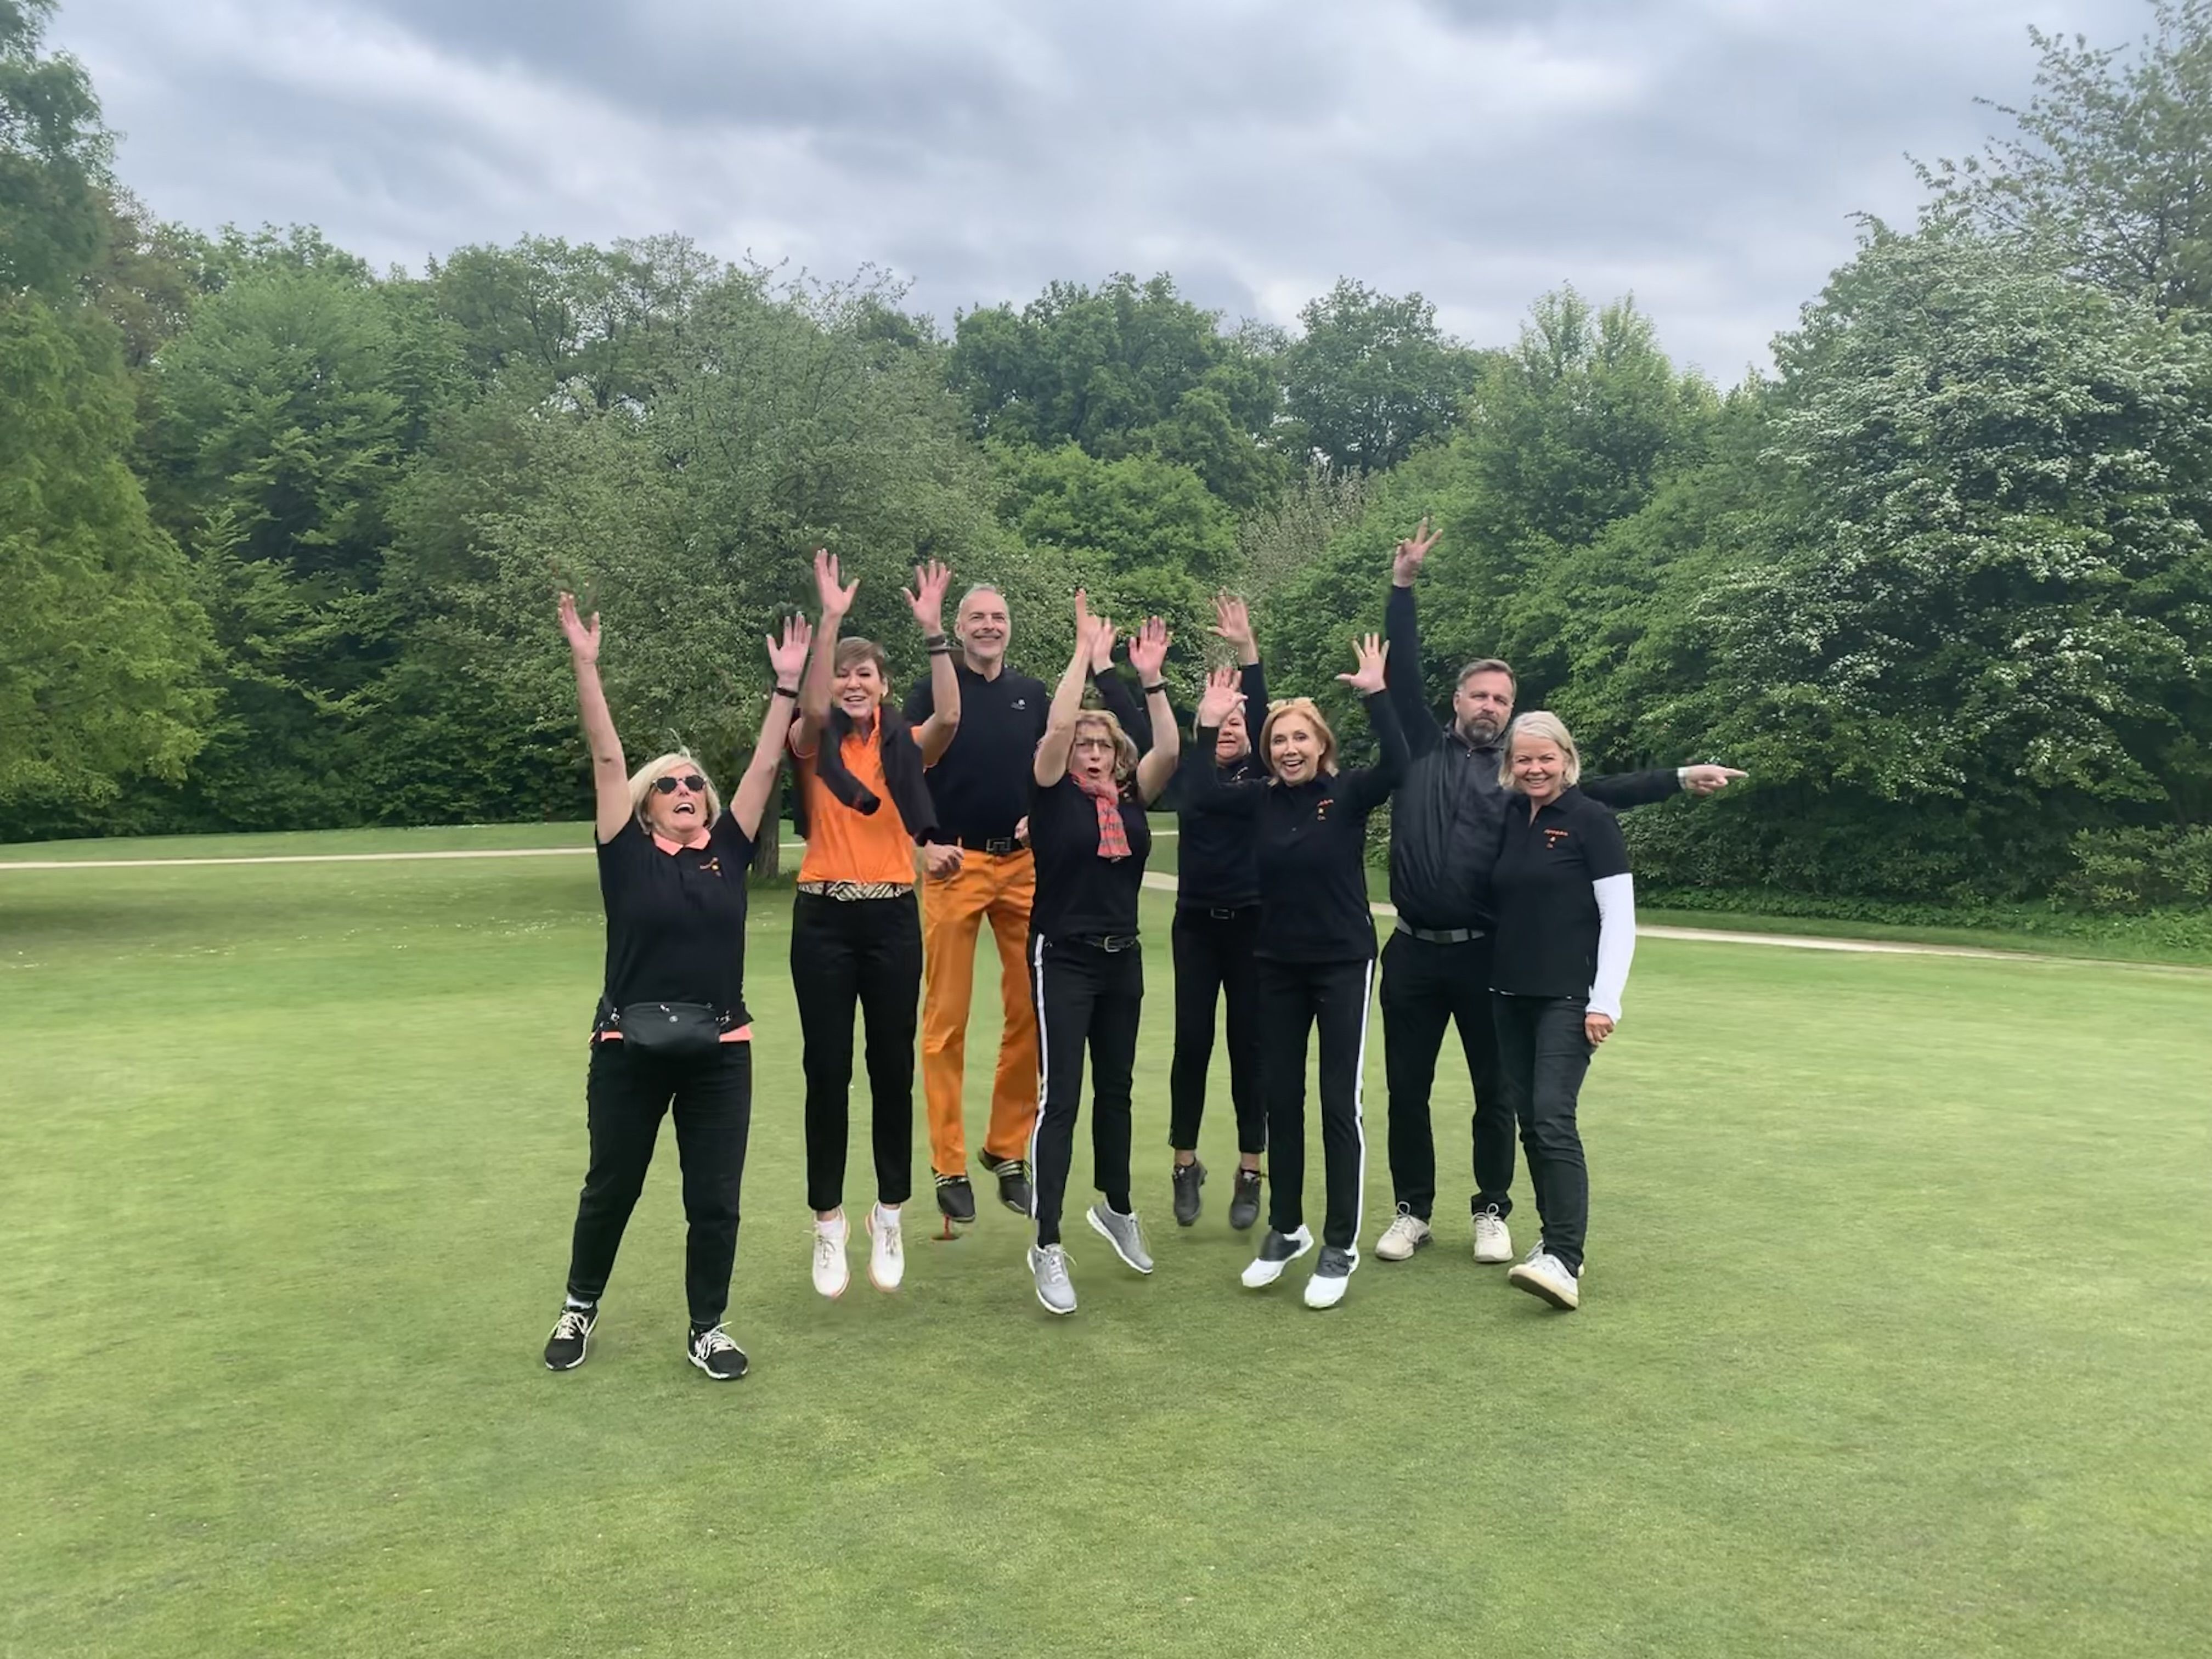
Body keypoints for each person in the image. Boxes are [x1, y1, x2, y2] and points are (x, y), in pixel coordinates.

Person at [1374, 520, 1745, 1268]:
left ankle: (1492, 1208)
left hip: (1486, 956)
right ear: (1457, 700)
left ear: (1512, 711)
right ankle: (1413, 1210)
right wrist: (1403, 587)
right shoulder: (1417, 749)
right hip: (1412, 953)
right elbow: (1402, 673)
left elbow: (1598, 791)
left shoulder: (1521, 784)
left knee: (1495, 1093)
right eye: (1479, 694)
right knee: (1407, 1089)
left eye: (1501, 698)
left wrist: (1677, 778)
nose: (1489, 705)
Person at [542, 592, 810, 1381]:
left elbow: (766, 767)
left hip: (720, 1048)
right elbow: (606, 758)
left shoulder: (728, 850)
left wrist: (786, 685)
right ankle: (579, 1306)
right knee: (612, 1186)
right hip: (627, 1045)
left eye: (695, 781)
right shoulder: (624, 852)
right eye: (669, 784)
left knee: (715, 1198)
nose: (686, 788)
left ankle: (708, 1328)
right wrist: (586, 665)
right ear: (646, 804)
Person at [905, 586, 1148, 1226]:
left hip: (1022, 869)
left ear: (1009, 628)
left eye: (998, 618)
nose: (989, 626)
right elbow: (906, 770)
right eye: (977, 618)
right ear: (959, 628)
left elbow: (1057, 758)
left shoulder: (1032, 693)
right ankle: (949, 1162)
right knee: (946, 1017)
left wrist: (1040, 816)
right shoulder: (933, 688)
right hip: (955, 862)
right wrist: (923, 840)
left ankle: (1007, 1150)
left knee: (1031, 1013)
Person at [1184, 636, 1406, 1310]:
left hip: (1342, 962)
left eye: (1300, 738)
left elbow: (1400, 762)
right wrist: (1207, 724)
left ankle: (1340, 1244)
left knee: (1339, 1104)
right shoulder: (1258, 799)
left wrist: (1378, 694)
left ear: (1321, 744)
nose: (1288, 748)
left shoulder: (1348, 793)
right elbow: (1198, 793)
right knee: (1280, 1099)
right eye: (1278, 739)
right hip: (1275, 964)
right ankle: (1287, 1228)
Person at [789, 550, 964, 1300]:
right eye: (843, 675)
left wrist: (934, 632)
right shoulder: (814, 742)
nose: (853, 683)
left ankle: (888, 1213)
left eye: (866, 674)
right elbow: (810, 708)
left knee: (891, 1069)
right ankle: (828, 1222)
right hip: (823, 917)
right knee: (827, 1070)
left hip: (891, 915)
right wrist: (830, 619)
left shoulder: (904, 746)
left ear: (885, 686)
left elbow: (950, 716)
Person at [1022, 607, 1180, 1314]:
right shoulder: (1051, 796)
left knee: (1117, 1091)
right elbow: (1056, 728)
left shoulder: (1132, 797)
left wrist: (1149, 683)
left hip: (1123, 959)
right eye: (1083, 744)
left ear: (1117, 756)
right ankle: (1047, 1242)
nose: (1090, 752)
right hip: (1063, 957)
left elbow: (1169, 747)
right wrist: (1083, 656)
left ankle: (1115, 1207)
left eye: (1102, 745)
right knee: (1062, 1098)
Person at [1486, 711, 1634, 1312]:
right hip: (1508, 994)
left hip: (1570, 998)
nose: (1535, 769)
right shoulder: (1510, 816)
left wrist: (1605, 1000)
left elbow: (1619, 917)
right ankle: (1553, 1240)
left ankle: (1565, 1261)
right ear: (1510, 765)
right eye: (1523, 759)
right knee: (1530, 1121)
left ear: (1566, 760)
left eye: (1545, 758)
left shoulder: (1591, 819)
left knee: (1552, 1118)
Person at [1160, 595, 1272, 1229]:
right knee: (1193, 1042)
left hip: (1254, 927)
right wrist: (1203, 725)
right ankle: (1185, 1163)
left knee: (1249, 1046)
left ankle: (1251, 1170)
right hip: (1197, 926)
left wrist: (1247, 650)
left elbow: (1264, 710)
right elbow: (1198, 783)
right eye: (1219, 722)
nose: (1229, 728)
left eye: (1238, 721)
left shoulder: (1265, 779)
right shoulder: (1193, 775)